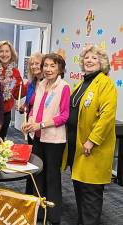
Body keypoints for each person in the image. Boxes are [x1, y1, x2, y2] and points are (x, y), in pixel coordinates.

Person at [66, 44, 117, 225]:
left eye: (94, 58)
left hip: (91, 149)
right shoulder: (82, 82)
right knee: (79, 189)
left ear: (102, 63)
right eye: (86, 58)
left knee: (91, 194)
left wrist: (92, 141)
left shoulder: (105, 83)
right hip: (76, 148)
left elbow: (107, 116)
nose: (89, 60)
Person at [22, 53, 70, 225]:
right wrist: (29, 123)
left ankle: (54, 217)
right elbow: (34, 109)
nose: (48, 69)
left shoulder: (63, 87)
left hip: (54, 140)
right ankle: (39, 214)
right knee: (38, 176)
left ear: (60, 69)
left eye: (52, 66)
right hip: (37, 137)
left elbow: (64, 116)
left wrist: (40, 125)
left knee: (52, 177)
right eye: (46, 66)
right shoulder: (41, 84)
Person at [0, 40, 26, 140]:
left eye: (7, 51)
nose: (4, 54)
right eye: (1, 51)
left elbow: (18, 93)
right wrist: (0, 84)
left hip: (5, 113)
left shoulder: (15, 72)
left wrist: (31, 83)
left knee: (0, 140)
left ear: (11, 54)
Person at [18, 52, 43, 145]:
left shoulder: (48, 83)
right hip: (30, 121)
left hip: (42, 123)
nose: (34, 66)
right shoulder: (31, 83)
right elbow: (29, 103)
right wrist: (23, 107)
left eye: (37, 63)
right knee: (32, 149)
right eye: (31, 64)